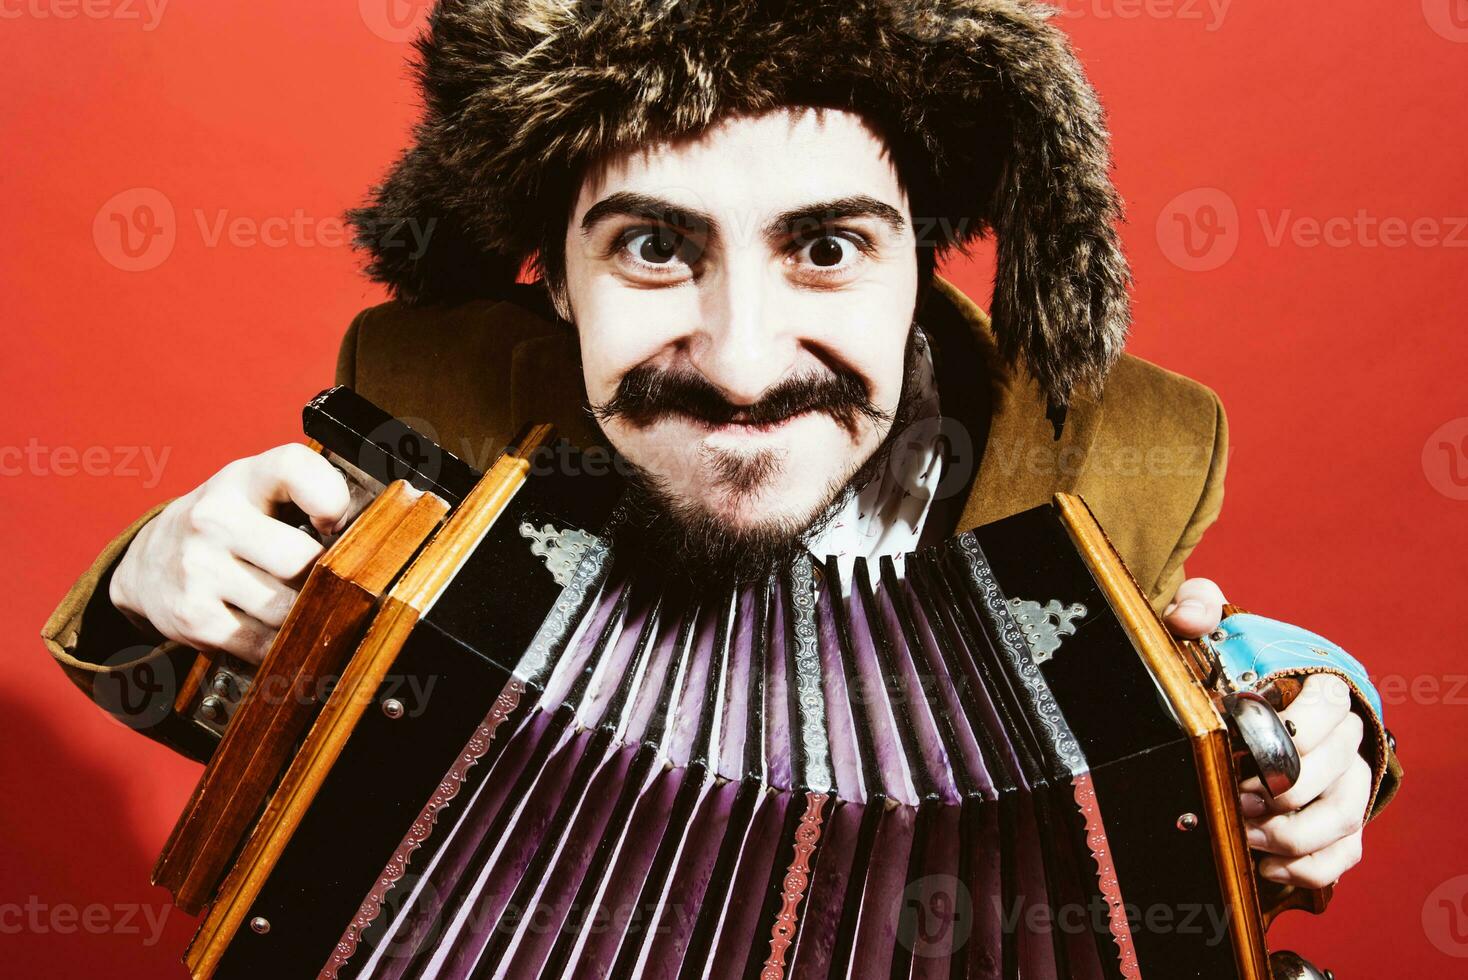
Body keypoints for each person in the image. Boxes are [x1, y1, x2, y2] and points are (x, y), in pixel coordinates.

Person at [43, 0, 1396, 906]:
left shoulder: (1120, 452)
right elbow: (265, 727)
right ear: (554, 280)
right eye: (650, 247)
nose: (743, 362)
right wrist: (162, 580)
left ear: (920, 256)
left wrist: (1315, 705)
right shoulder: (430, 410)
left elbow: (1187, 656)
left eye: (824, 248)